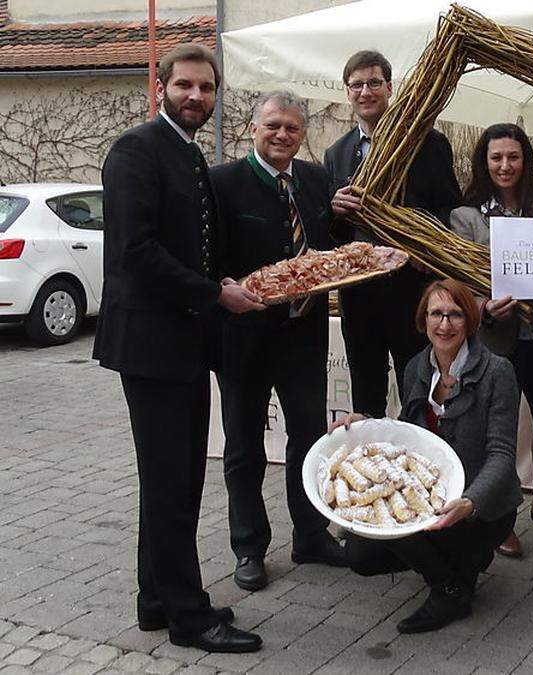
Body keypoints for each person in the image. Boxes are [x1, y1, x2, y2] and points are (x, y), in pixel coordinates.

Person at [94, 43, 265, 653]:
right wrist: (215, 294)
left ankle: (157, 599)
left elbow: (192, 243)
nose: (197, 97)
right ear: (160, 85)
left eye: (207, 88)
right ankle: (190, 618)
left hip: (183, 342)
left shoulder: (185, 153)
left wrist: (220, 284)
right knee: (172, 480)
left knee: (177, 477)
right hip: (151, 346)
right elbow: (136, 254)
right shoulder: (135, 152)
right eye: (186, 86)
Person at [210, 91, 347, 593]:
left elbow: (325, 248)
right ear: (253, 128)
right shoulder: (222, 182)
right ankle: (248, 547)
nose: (282, 134)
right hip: (243, 338)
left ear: (303, 134)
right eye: (273, 125)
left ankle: (310, 535)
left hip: (303, 334)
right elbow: (211, 259)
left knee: (308, 437)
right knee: (244, 447)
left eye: (292, 127)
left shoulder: (314, 180)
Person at [331, 280, 521, 634]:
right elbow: (407, 437)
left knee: (414, 528)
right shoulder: (417, 366)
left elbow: (502, 455)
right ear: (423, 320)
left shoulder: (497, 372)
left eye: (455, 315)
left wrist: (470, 502)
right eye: (436, 314)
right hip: (435, 497)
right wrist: (366, 425)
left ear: (470, 321)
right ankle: (460, 560)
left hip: (482, 506)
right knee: (361, 554)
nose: (444, 325)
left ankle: (449, 588)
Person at [449, 123, 533, 559]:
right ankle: (496, 520)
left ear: (525, 159)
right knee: (497, 431)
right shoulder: (467, 216)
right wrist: (482, 307)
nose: (505, 165)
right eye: (496, 158)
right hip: (495, 339)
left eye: (513, 156)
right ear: (484, 163)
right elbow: (458, 282)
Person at [325, 49, 463, 419]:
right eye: (356, 85)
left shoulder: (427, 143)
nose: (365, 91)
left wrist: (420, 244)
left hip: (411, 291)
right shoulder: (336, 154)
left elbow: (448, 210)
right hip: (359, 298)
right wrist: (333, 210)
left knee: (418, 389)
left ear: (389, 88)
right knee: (365, 396)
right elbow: (336, 234)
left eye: (373, 83)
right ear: (347, 92)